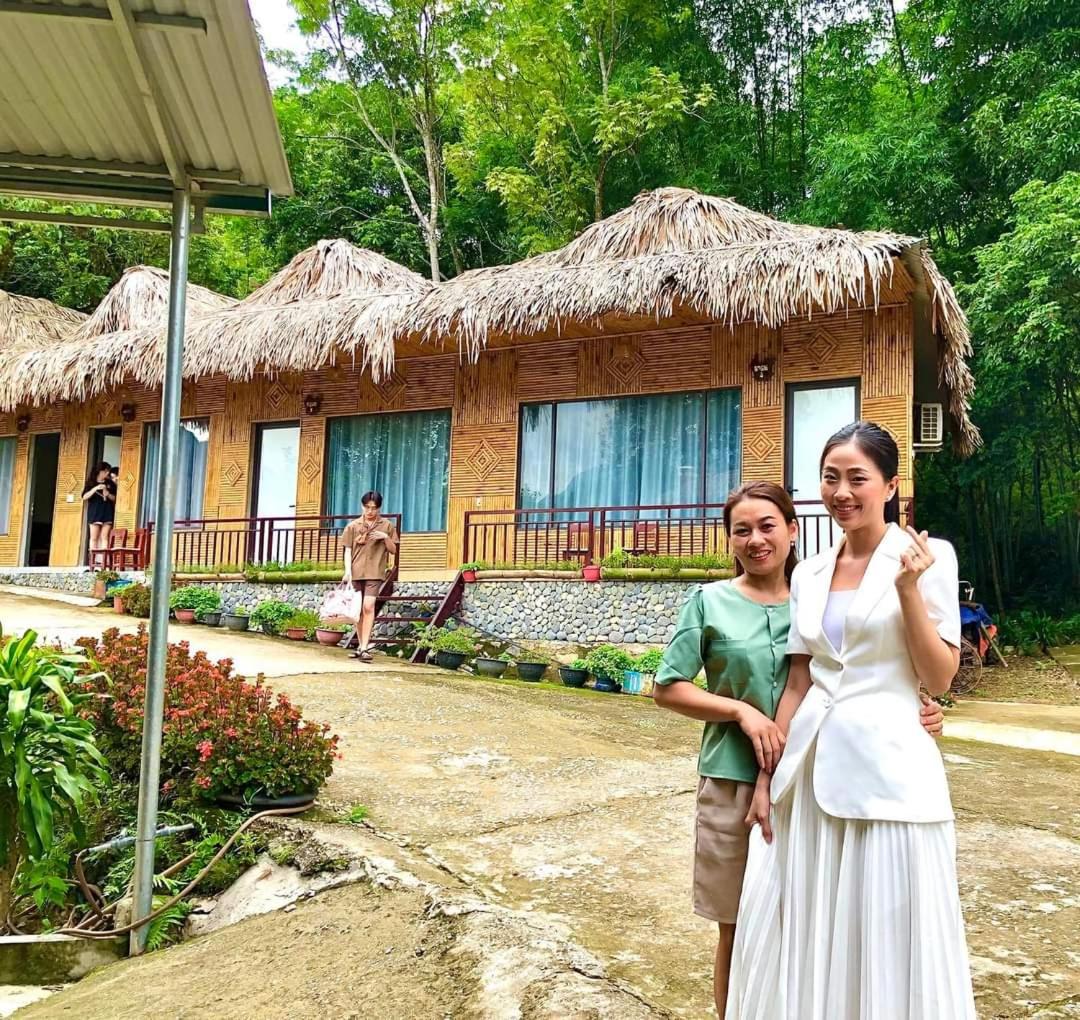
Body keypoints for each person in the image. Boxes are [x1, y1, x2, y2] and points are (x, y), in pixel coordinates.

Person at [652, 480, 944, 1018]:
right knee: (739, 925)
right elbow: (667, 687)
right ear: (729, 540)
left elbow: (869, 665)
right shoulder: (711, 602)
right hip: (734, 781)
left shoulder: (819, 595)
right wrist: (740, 711)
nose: (755, 540)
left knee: (813, 923)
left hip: (813, 779)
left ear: (792, 530)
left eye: (768, 526)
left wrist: (919, 707)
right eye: (741, 530)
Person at [727, 422, 976, 1020]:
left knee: (887, 928)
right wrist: (767, 778)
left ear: (889, 486)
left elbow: (939, 676)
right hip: (807, 771)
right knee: (805, 922)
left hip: (891, 773)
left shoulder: (930, 557)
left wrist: (908, 589)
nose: (841, 492)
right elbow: (800, 681)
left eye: (857, 478)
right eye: (830, 478)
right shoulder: (809, 571)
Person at [340, 491, 398, 662]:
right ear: (362, 506)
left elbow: (393, 550)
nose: (370, 511)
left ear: (379, 508)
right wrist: (347, 571)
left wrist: (385, 537)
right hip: (356, 572)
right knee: (358, 610)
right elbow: (348, 550)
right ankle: (361, 646)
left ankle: (364, 647)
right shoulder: (353, 526)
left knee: (368, 606)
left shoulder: (386, 525)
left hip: (375, 571)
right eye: (367, 507)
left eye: (374, 508)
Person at [82, 461, 116, 560]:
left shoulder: (110, 483)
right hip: (95, 512)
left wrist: (107, 494)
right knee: (94, 538)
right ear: (99, 471)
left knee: (104, 537)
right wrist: (95, 488)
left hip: (107, 511)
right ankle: (92, 561)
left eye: (108, 471)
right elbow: (84, 497)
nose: (107, 473)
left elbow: (115, 498)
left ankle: (104, 562)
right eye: (105, 471)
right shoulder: (91, 482)